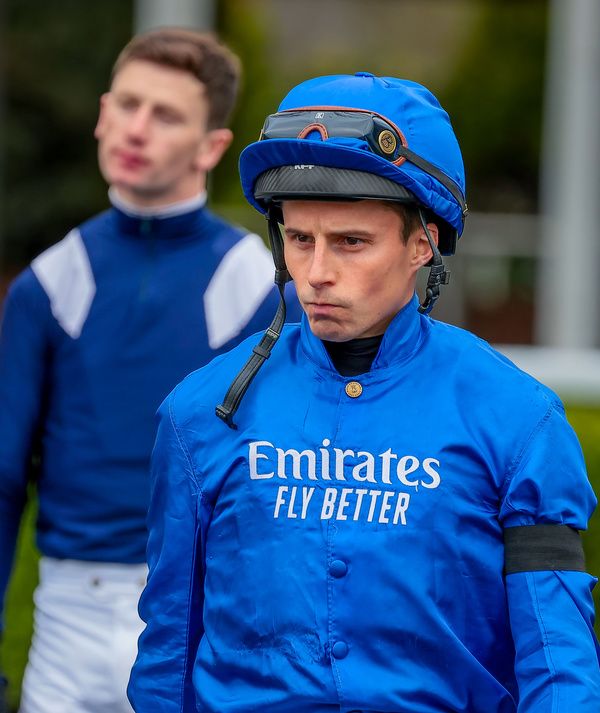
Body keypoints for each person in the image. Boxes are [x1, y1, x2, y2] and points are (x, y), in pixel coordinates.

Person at [128, 72, 600, 712]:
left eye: (351, 242)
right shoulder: (197, 413)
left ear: (423, 243)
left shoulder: (521, 421)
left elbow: (558, 665)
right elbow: (166, 657)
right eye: (300, 240)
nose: (316, 274)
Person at [0, 27, 300, 713]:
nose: (137, 128)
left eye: (165, 115)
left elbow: (283, 474)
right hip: (66, 618)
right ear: (103, 112)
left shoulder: (257, 283)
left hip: (203, 610)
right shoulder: (49, 282)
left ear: (211, 147)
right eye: (128, 105)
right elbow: (4, 478)